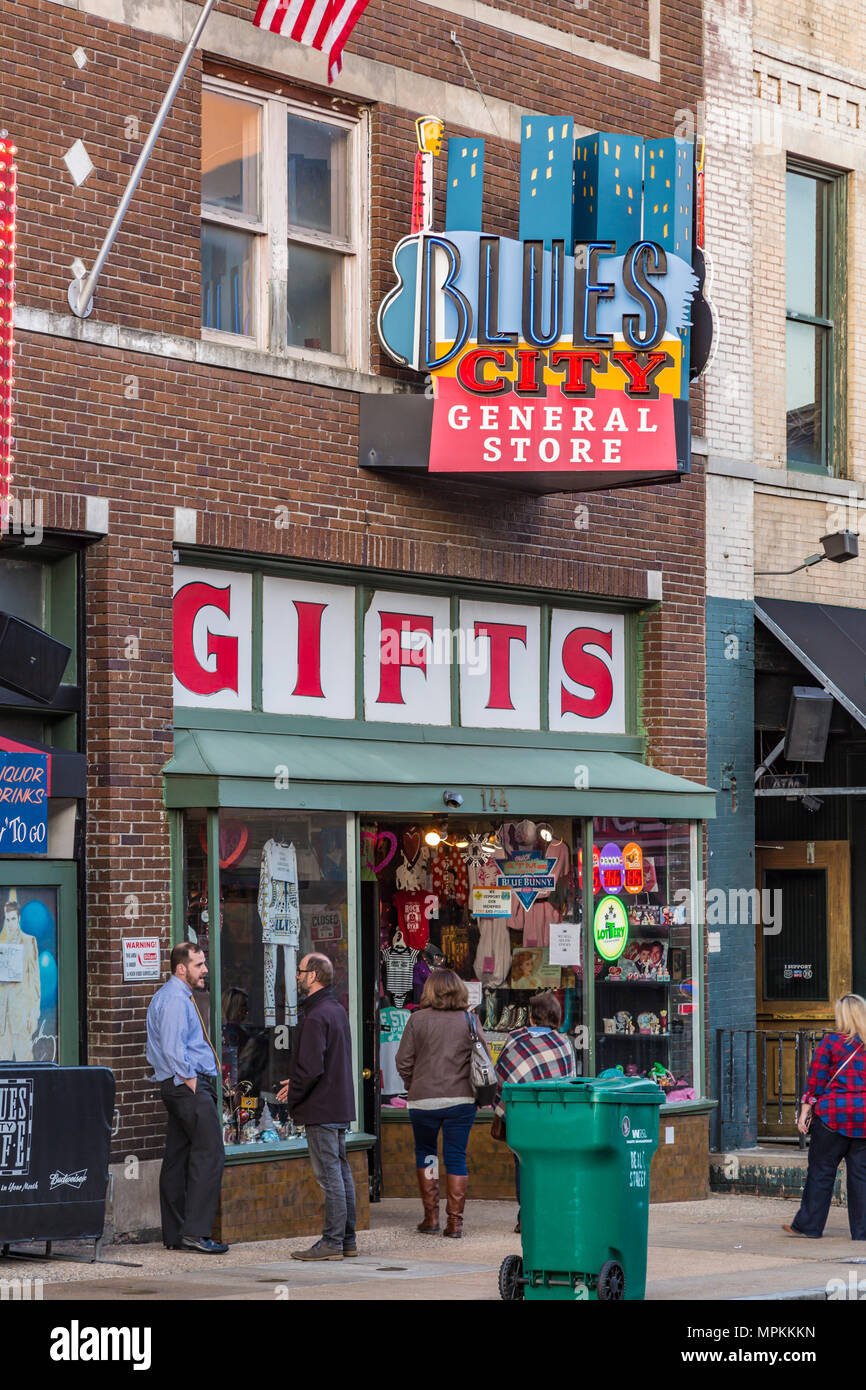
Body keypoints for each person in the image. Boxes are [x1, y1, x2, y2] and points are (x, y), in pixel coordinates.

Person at [146, 941, 228, 1254]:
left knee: (177, 1158)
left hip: (179, 1086)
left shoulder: (175, 996)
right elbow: (171, 1046)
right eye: (198, 964)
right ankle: (195, 1232)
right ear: (181, 968)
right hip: (187, 1086)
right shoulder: (175, 1000)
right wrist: (191, 1080)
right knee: (210, 1155)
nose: (205, 970)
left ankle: (177, 1232)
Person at [395, 968, 488, 1238]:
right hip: (461, 1099)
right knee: (456, 1156)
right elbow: (483, 1060)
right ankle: (455, 1223)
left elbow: (403, 1061)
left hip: (423, 1100)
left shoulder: (417, 1020)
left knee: (427, 1154)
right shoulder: (469, 1020)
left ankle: (431, 1217)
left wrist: (412, 1082)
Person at [277, 952, 357, 1260]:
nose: (297, 976)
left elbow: (311, 1068)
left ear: (313, 976)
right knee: (340, 1172)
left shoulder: (315, 1015)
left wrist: (295, 1091)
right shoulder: (335, 1010)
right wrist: (295, 1085)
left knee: (329, 1175)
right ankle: (346, 1240)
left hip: (322, 1107)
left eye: (300, 972)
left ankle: (333, 1242)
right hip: (336, 1105)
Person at [783, 993, 866, 1240]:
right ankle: (862, 1231)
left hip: (832, 1117)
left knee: (821, 1171)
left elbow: (816, 1080)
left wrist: (805, 1112)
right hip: (863, 1117)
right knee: (861, 1177)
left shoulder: (831, 1043)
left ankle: (809, 1225)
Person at [493, 991, 575, 1233]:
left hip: (523, 1115)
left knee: (524, 1162)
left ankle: (526, 1216)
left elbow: (503, 1075)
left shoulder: (515, 1039)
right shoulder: (564, 1043)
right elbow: (568, 1082)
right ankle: (550, 1214)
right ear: (556, 1017)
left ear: (532, 1016)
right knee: (552, 1164)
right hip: (554, 1116)